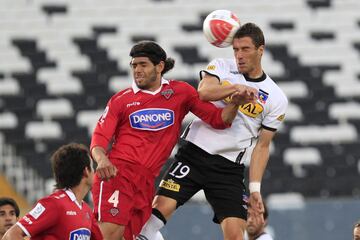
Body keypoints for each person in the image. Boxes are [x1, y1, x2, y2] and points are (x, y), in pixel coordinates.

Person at [90, 40, 258, 240]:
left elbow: (218, 120)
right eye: (134, 65)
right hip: (119, 173)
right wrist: (101, 159)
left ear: (160, 66)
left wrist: (235, 101)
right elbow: (100, 137)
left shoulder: (181, 93)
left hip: (145, 181)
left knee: (128, 236)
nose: (137, 70)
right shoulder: (121, 100)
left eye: (143, 64)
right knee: (109, 234)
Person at [137, 22, 288, 240]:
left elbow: (263, 145)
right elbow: (204, 91)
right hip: (194, 154)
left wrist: (255, 189)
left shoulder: (276, 97)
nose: (239, 55)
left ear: (260, 50)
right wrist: (236, 89)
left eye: (245, 49)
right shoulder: (222, 66)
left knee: (236, 236)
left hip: (228, 168)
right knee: (155, 216)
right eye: (235, 49)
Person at [2, 143, 103, 240]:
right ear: (86, 171)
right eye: (92, 167)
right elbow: (11, 235)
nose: (95, 171)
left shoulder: (86, 210)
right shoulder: (53, 204)